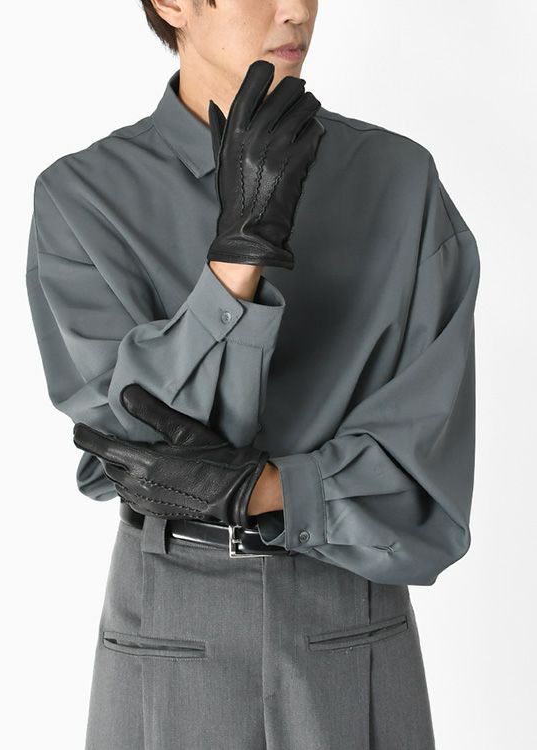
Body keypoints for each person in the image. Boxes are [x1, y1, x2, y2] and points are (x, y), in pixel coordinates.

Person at [25, 1, 480, 747]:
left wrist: (262, 489)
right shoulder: (82, 198)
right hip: (170, 615)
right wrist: (238, 255)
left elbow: (428, 483)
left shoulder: (399, 179)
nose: (295, 9)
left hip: (350, 617)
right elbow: (133, 444)